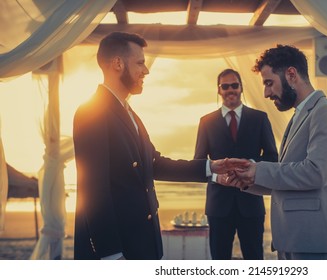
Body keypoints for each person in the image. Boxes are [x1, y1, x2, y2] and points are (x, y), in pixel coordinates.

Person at [72, 32, 247, 260]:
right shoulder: (91, 112)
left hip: (143, 243)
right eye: (140, 63)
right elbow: (93, 190)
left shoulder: (129, 113)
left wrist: (211, 167)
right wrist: (111, 255)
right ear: (117, 64)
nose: (146, 70)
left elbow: (155, 164)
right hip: (118, 249)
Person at [227, 44, 327, 260]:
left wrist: (259, 170)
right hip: (292, 240)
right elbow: (290, 179)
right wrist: (247, 180)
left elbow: (315, 173)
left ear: (291, 75)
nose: (265, 93)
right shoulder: (299, 116)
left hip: (313, 242)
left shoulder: (326, 112)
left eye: (269, 83)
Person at [194, 69, 278, 260]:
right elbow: (198, 163)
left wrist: (252, 166)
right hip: (218, 206)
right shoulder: (206, 122)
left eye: (234, 85)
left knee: (254, 258)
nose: (230, 89)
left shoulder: (260, 118)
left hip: (251, 202)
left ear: (241, 88)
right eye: (225, 86)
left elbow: (273, 157)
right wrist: (217, 176)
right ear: (219, 90)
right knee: (220, 260)